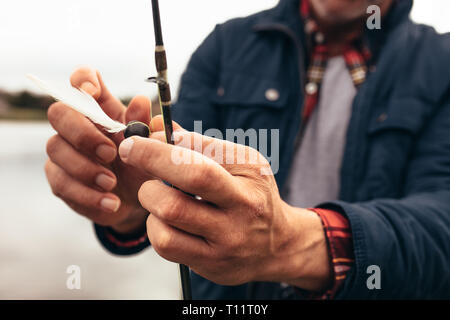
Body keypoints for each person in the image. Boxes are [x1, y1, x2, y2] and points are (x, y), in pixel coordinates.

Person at [44, 0, 450, 299]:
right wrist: (136, 203)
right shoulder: (224, 46)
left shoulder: (441, 61)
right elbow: (175, 184)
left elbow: (442, 223)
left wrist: (292, 244)